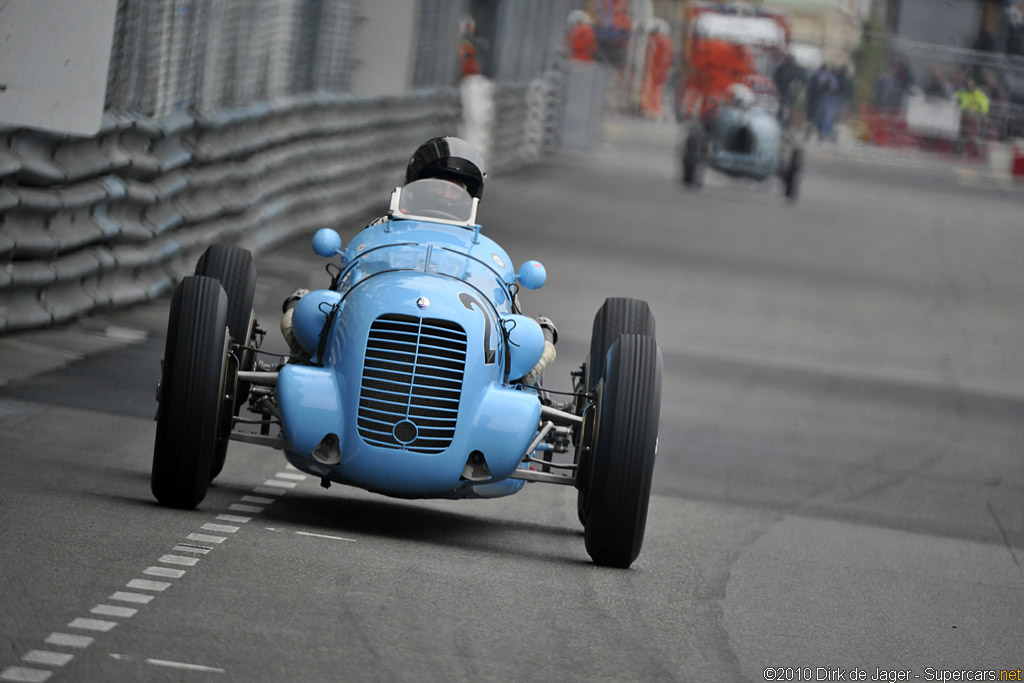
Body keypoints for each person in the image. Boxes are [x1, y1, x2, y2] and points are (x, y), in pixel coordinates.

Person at [640, 19, 674, 120]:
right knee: (656, 90)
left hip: (655, 68)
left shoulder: (658, 40)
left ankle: (652, 110)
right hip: (658, 68)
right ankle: (653, 110)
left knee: (652, 89)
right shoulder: (665, 40)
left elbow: (659, 56)